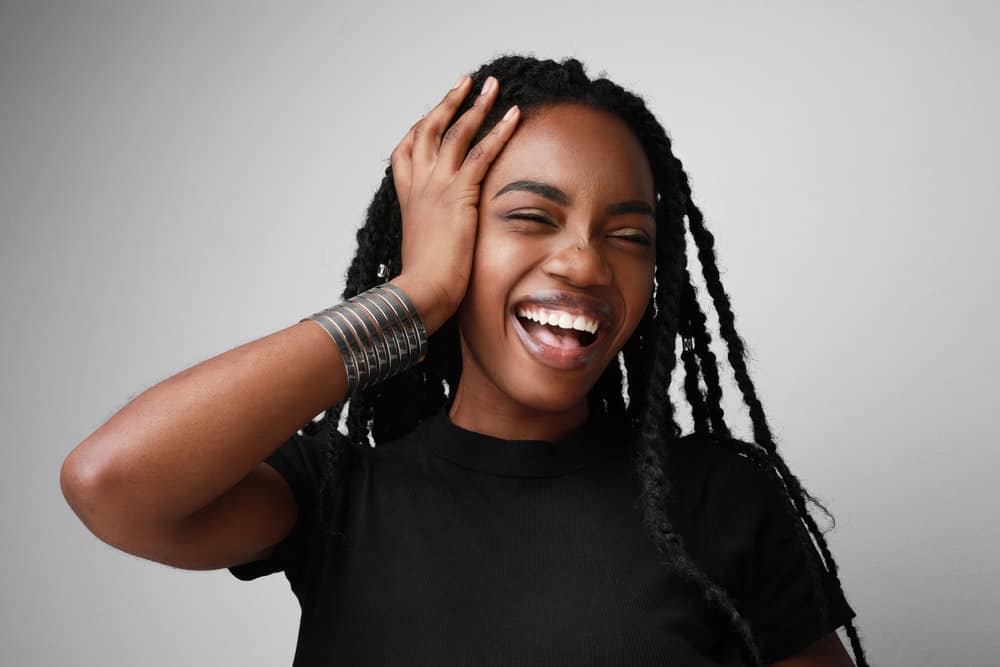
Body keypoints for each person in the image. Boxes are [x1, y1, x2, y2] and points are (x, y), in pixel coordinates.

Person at [60, 54, 869, 666]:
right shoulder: (339, 498)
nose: (586, 263)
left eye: (629, 235)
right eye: (530, 217)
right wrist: (415, 296)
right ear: (452, 241)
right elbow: (111, 481)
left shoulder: (720, 501)